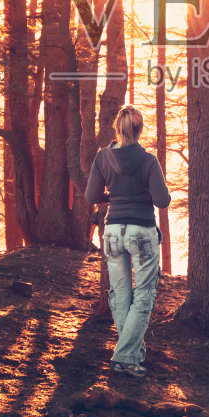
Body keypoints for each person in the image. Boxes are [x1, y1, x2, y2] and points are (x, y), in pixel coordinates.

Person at [83, 105, 171, 378]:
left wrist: (113, 196)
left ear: (117, 129)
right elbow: (162, 200)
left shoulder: (103, 157)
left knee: (119, 295)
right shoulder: (148, 161)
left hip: (112, 232)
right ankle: (124, 357)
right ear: (139, 130)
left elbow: (91, 196)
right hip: (141, 231)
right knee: (143, 294)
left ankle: (129, 357)